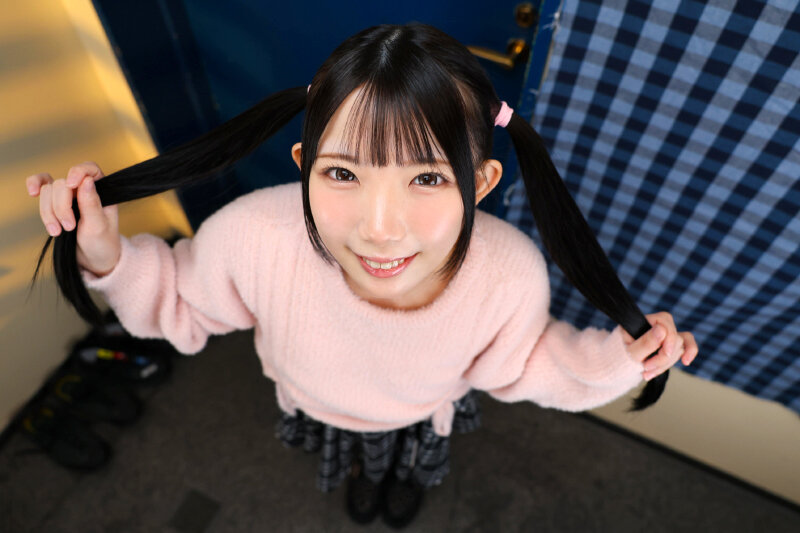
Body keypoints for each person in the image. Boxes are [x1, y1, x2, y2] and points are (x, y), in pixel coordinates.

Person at [27, 23, 697, 529]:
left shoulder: (508, 275)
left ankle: (397, 476)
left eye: (427, 178)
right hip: (314, 403)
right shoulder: (254, 235)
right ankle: (357, 469)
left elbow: (525, 361)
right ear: (304, 165)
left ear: (482, 182)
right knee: (349, 456)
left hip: (420, 416)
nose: (379, 229)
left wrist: (616, 360)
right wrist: (108, 255)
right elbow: (181, 300)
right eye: (343, 173)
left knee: (407, 462)